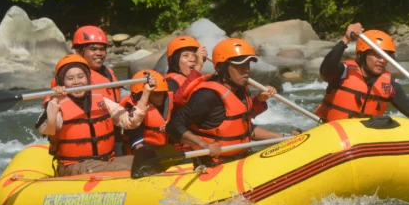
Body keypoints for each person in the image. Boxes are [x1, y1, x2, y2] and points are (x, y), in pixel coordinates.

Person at [167, 38, 295, 164]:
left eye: (247, 64)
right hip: (213, 164)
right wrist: (203, 144)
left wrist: (284, 138)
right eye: (239, 65)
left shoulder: (241, 90)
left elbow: (244, 130)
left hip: (239, 159)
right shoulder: (208, 95)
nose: (246, 69)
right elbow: (173, 126)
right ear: (223, 68)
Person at [37, 55, 155, 176]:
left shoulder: (101, 100)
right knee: (132, 169)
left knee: (149, 161)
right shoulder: (58, 105)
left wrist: (146, 93)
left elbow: (131, 121)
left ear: (88, 78)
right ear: (62, 82)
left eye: (81, 77)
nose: (76, 82)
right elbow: (49, 129)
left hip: (105, 161)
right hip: (73, 166)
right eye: (70, 78)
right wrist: (54, 101)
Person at [314, 23, 409, 122]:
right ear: (362, 55)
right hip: (335, 135)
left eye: (386, 57)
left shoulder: (389, 86)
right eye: (377, 55)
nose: (382, 60)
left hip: (362, 141)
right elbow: (325, 71)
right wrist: (346, 39)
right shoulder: (343, 73)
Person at [120, 69, 173, 154]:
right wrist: (145, 153)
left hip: (161, 150)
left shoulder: (165, 105)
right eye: (155, 93)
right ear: (142, 93)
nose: (161, 96)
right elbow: (133, 137)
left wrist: (171, 127)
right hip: (141, 154)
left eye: (162, 93)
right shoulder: (132, 109)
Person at [70, 26, 119, 101]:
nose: (99, 53)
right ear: (78, 52)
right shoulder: (69, 74)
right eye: (93, 49)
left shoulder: (108, 72)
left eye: (102, 49)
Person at [164, 35, 208, 105]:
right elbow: (178, 101)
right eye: (185, 55)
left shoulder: (198, 78)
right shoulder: (170, 82)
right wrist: (197, 67)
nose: (192, 59)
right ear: (175, 61)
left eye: (194, 55)